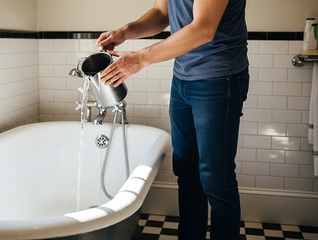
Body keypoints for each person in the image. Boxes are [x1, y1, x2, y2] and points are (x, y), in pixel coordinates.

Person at [96, 0, 249, 239]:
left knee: (216, 178)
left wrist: (141, 58)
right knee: (187, 172)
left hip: (219, 78)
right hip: (182, 81)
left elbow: (204, 28)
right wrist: (126, 31)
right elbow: (161, 12)